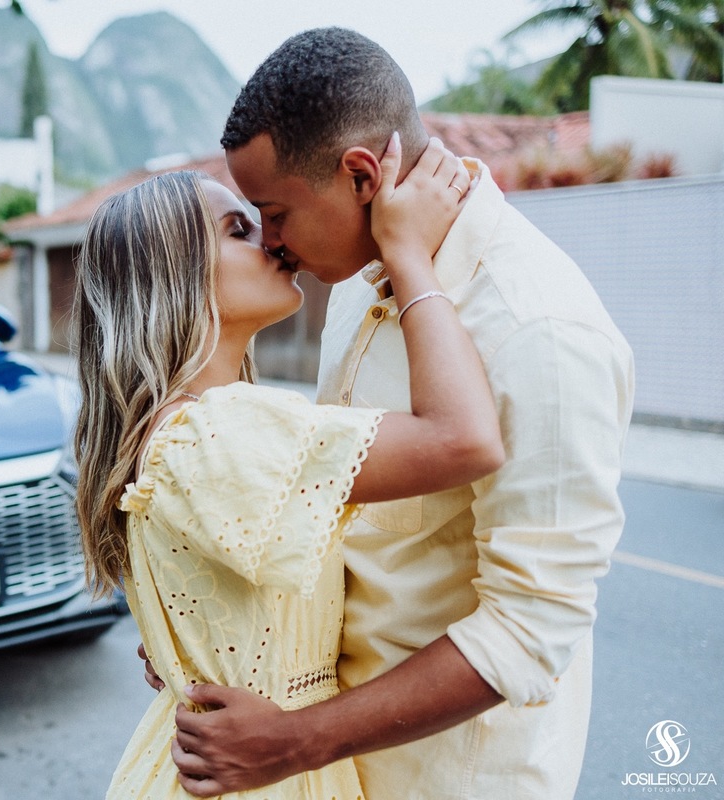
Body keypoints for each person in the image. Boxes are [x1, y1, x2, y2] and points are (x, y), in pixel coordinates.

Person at [153, 27, 636, 800]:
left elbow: (530, 629)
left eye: (274, 213)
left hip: (446, 777)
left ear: (360, 174)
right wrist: (207, 634)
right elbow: (324, 523)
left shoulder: (537, 328)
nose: (272, 243)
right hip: (318, 768)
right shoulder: (352, 283)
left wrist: (293, 743)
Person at [74, 132, 505, 799]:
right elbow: (463, 439)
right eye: (238, 229)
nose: (273, 241)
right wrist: (410, 254)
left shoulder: (186, 430)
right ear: (175, 273)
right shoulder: (220, 432)